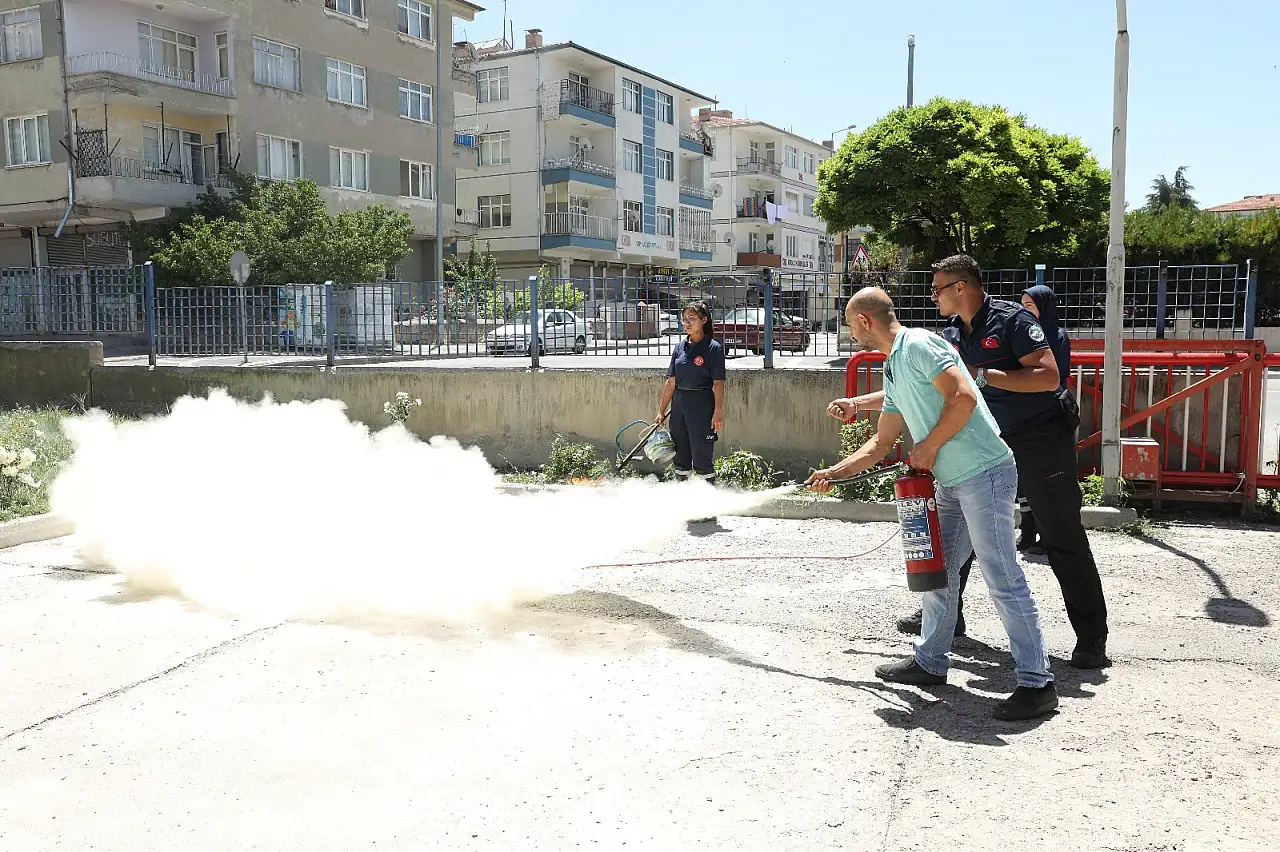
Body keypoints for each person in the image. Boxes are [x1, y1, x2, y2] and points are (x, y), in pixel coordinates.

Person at [809, 287, 1057, 721]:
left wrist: (927, 448)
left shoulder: (920, 344)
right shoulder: (893, 367)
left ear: (865, 321)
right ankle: (929, 662)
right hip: (950, 482)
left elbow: (964, 397)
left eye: (850, 325)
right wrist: (834, 473)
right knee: (935, 573)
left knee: (1002, 576)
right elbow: (881, 442)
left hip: (984, 472)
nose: (850, 334)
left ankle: (1038, 684)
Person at [916, 255, 1107, 669]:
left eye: (938, 289)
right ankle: (948, 618)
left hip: (1040, 437)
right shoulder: (950, 333)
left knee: (1060, 534)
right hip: (988, 442)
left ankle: (1091, 637)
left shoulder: (1012, 321)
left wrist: (984, 376)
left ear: (962, 287)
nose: (933, 297)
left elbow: (1048, 376)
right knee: (958, 530)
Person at [1015, 284, 1072, 551]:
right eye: (1022, 305)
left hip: (1047, 417)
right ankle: (1027, 532)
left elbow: (1054, 376)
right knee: (1022, 482)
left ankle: (1049, 538)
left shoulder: (1056, 336)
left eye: (1030, 306)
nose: (1024, 311)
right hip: (1021, 415)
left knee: (1046, 481)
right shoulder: (1021, 334)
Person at [656, 301, 726, 498]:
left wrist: (717, 411)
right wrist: (661, 410)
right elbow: (671, 382)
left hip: (701, 405)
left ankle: (708, 505)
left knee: (702, 457)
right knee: (680, 456)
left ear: (704, 320)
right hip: (679, 404)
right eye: (685, 319)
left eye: (692, 319)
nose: (687, 323)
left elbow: (719, 382)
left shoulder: (713, 348)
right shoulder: (679, 347)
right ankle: (684, 501)